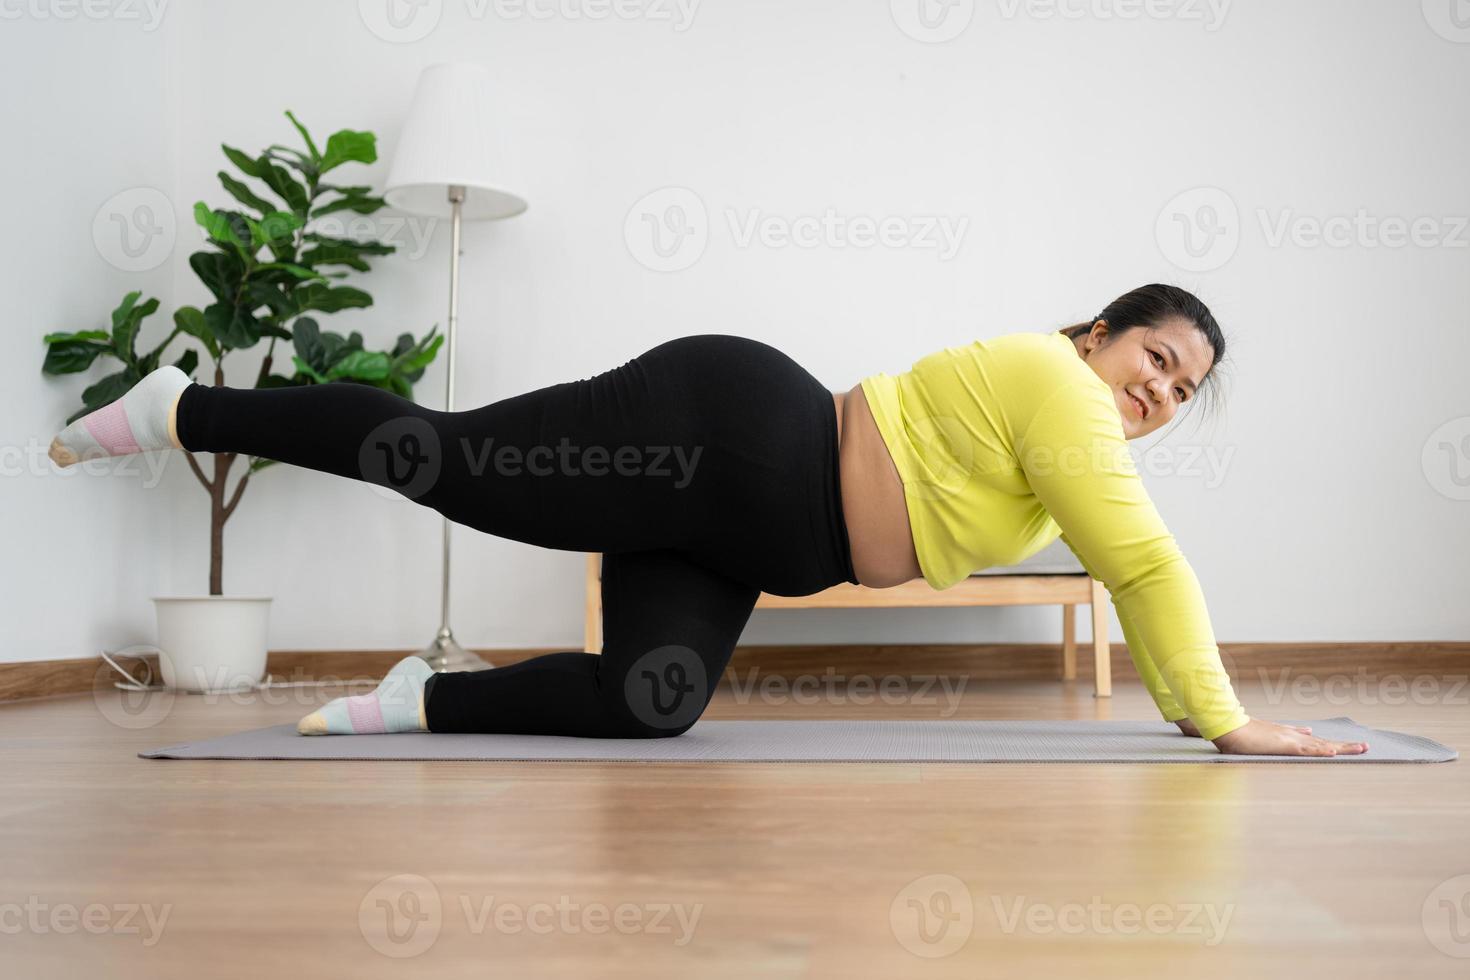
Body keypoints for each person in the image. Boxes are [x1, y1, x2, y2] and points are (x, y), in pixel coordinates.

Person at [48, 283, 1368, 757]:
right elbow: (1139, 558)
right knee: (440, 460)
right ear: (1097, 334)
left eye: (1180, 393)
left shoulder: (1056, 438)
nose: (1157, 394)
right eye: (1152, 360)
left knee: (649, 703)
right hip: (722, 436)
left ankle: (421, 701)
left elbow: (1113, 544)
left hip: (738, 528)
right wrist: (1223, 717)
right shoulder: (1052, 384)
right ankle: (190, 410)